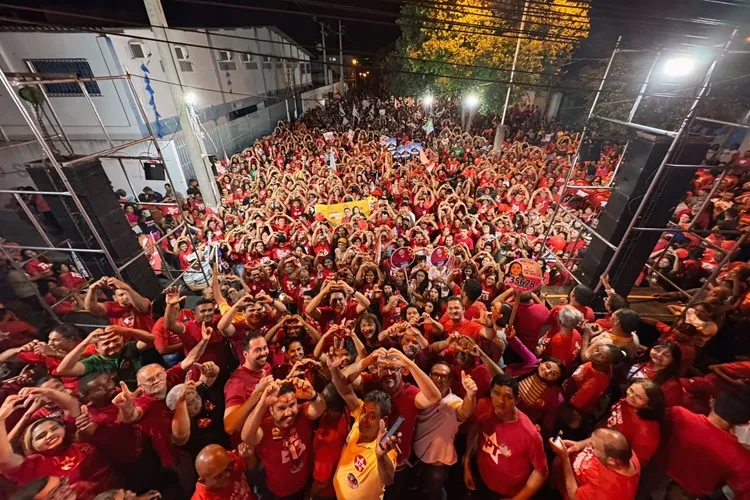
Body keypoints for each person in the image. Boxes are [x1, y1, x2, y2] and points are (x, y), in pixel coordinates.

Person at [646, 388, 750, 499]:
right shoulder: (740, 457)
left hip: (650, 474)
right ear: (743, 423)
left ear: (712, 402)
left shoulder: (678, 414)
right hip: (683, 495)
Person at [327, 349, 403, 500]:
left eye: (373, 415)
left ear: (384, 421)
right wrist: (334, 369)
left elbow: (388, 479)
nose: (365, 418)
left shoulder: (385, 447)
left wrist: (380, 457)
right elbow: (344, 390)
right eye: (364, 412)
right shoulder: (359, 417)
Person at [241, 378, 327, 500]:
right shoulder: (264, 427)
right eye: (281, 408)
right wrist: (262, 403)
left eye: (292, 405)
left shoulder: (302, 413)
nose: (288, 413)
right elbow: (246, 436)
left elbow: (320, 408)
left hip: (305, 482)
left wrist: (313, 395)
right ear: (271, 410)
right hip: (280, 493)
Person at [464, 374, 548, 499]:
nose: (500, 401)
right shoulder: (484, 407)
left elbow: (541, 471)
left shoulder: (530, 434)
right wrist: (467, 462)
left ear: (517, 400)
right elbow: (475, 430)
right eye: (496, 393)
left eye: (508, 397)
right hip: (480, 480)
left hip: (507, 494)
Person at [413, 360, 478, 500]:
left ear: (449, 381)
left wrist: (470, 394)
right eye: (435, 375)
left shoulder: (453, 402)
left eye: (444, 376)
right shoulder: (420, 397)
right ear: (429, 377)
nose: (439, 379)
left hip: (438, 464)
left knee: (435, 494)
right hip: (417, 456)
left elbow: (465, 411)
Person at [550, 428, 641, 500]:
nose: (590, 446)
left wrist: (565, 459)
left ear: (611, 461)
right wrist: (579, 445)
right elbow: (599, 439)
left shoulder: (607, 492)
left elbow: (574, 495)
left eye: (593, 447)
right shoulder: (623, 451)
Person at [56, 325, 154, 390]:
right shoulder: (94, 362)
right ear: (97, 348)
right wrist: (85, 342)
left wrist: (126, 330)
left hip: (144, 389)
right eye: (106, 343)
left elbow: (150, 339)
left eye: (115, 340)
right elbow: (63, 370)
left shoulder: (129, 348)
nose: (112, 345)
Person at [223, 334, 273, 440]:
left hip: (271, 430)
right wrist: (257, 393)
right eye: (257, 350)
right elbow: (229, 427)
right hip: (250, 441)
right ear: (245, 354)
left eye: (265, 348)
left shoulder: (266, 367)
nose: (263, 353)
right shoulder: (236, 383)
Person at [84, 276, 154, 332]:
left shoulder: (142, 300)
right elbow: (90, 307)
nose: (126, 297)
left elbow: (142, 307)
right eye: (121, 295)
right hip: (127, 345)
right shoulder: (111, 306)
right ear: (115, 297)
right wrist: (92, 289)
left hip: (148, 342)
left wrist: (126, 288)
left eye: (127, 294)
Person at [191, 444, 257, 500]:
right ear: (202, 481)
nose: (228, 474)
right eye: (219, 476)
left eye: (229, 468)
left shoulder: (226, 459)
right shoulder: (201, 497)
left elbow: (251, 466)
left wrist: (250, 456)